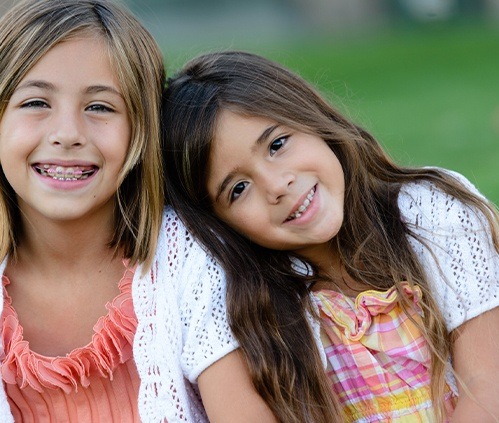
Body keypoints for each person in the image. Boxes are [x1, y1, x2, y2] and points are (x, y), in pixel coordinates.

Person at [0, 2, 276, 421]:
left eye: (100, 107)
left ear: (141, 133)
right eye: (35, 103)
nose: (68, 134)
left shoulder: (189, 259)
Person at [161, 50, 499, 422]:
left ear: (311, 118)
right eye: (238, 189)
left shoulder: (430, 212)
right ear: (220, 224)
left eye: (277, 145)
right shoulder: (258, 307)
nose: (277, 185)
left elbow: (488, 383)